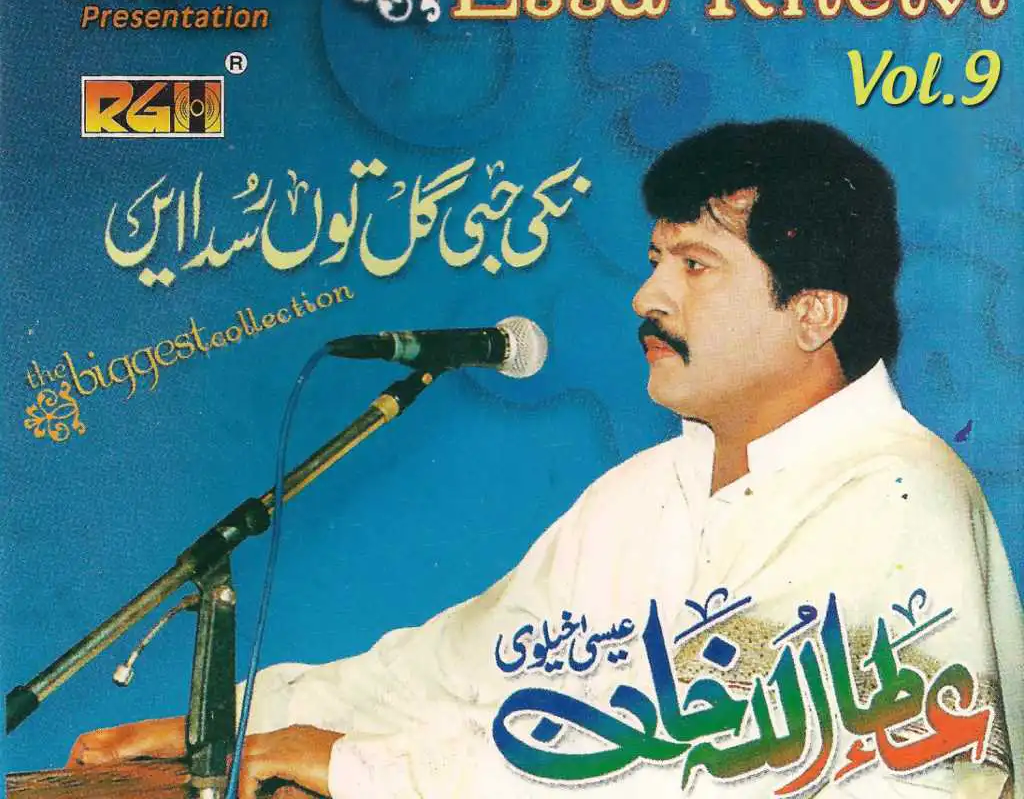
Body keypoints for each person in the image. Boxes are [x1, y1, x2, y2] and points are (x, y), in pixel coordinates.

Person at [68, 120, 1023, 798]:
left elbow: (701, 768)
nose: (648, 297)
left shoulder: (899, 494)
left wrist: (355, 768)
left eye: (695, 265)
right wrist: (229, 724)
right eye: (655, 260)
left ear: (813, 311)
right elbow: (451, 668)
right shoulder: (639, 497)